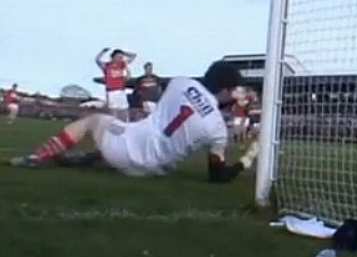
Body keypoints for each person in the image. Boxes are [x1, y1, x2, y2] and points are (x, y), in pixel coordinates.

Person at [9, 61, 258, 183]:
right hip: (154, 170)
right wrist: (246, 160)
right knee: (116, 146)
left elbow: (160, 95)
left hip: (130, 147)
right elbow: (217, 177)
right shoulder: (218, 130)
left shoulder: (181, 82)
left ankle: (38, 157)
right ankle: (76, 160)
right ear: (226, 90)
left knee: (94, 121)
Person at [96, 48, 136, 121]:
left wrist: (124, 52)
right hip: (112, 91)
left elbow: (133, 56)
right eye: (118, 57)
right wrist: (102, 52)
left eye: (121, 57)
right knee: (113, 111)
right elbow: (97, 60)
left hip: (121, 90)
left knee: (124, 109)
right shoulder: (107, 65)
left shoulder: (122, 64)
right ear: (113, 57)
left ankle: (125, 124)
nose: (120, 58)